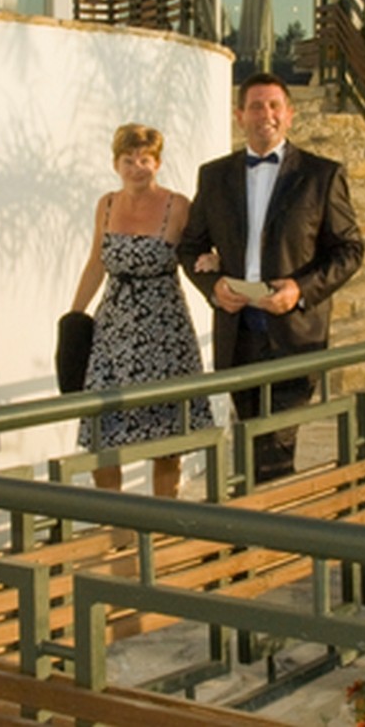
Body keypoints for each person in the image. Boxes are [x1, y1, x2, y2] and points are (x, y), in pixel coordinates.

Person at [178, 73, 364, 485]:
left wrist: (300, 289)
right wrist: (214, 288)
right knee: (250, 444)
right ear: (239, 116)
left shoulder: (322, 175)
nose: (266, 114)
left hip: (294, 335)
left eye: (275, 105)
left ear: (290, 115)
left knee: (275, 445)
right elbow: (189, 246)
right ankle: (261, 516)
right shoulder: (214, 176)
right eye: (256, 106)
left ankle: (264, 518)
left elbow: (350, 250)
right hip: (238, 333)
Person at [70, 123, 214, 498]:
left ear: (158, 163)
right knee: (103, 432)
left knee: (166, 437)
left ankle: (163, 519)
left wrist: (214, 261)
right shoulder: (106, 204)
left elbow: (199, 248)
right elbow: (96, 262)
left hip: (164, 328)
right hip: (112, 329)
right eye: (129, 160)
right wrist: (73, 318)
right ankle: (115, 523)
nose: (137, 167)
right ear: (115, 164)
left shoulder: (177, 205)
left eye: (145, 159)